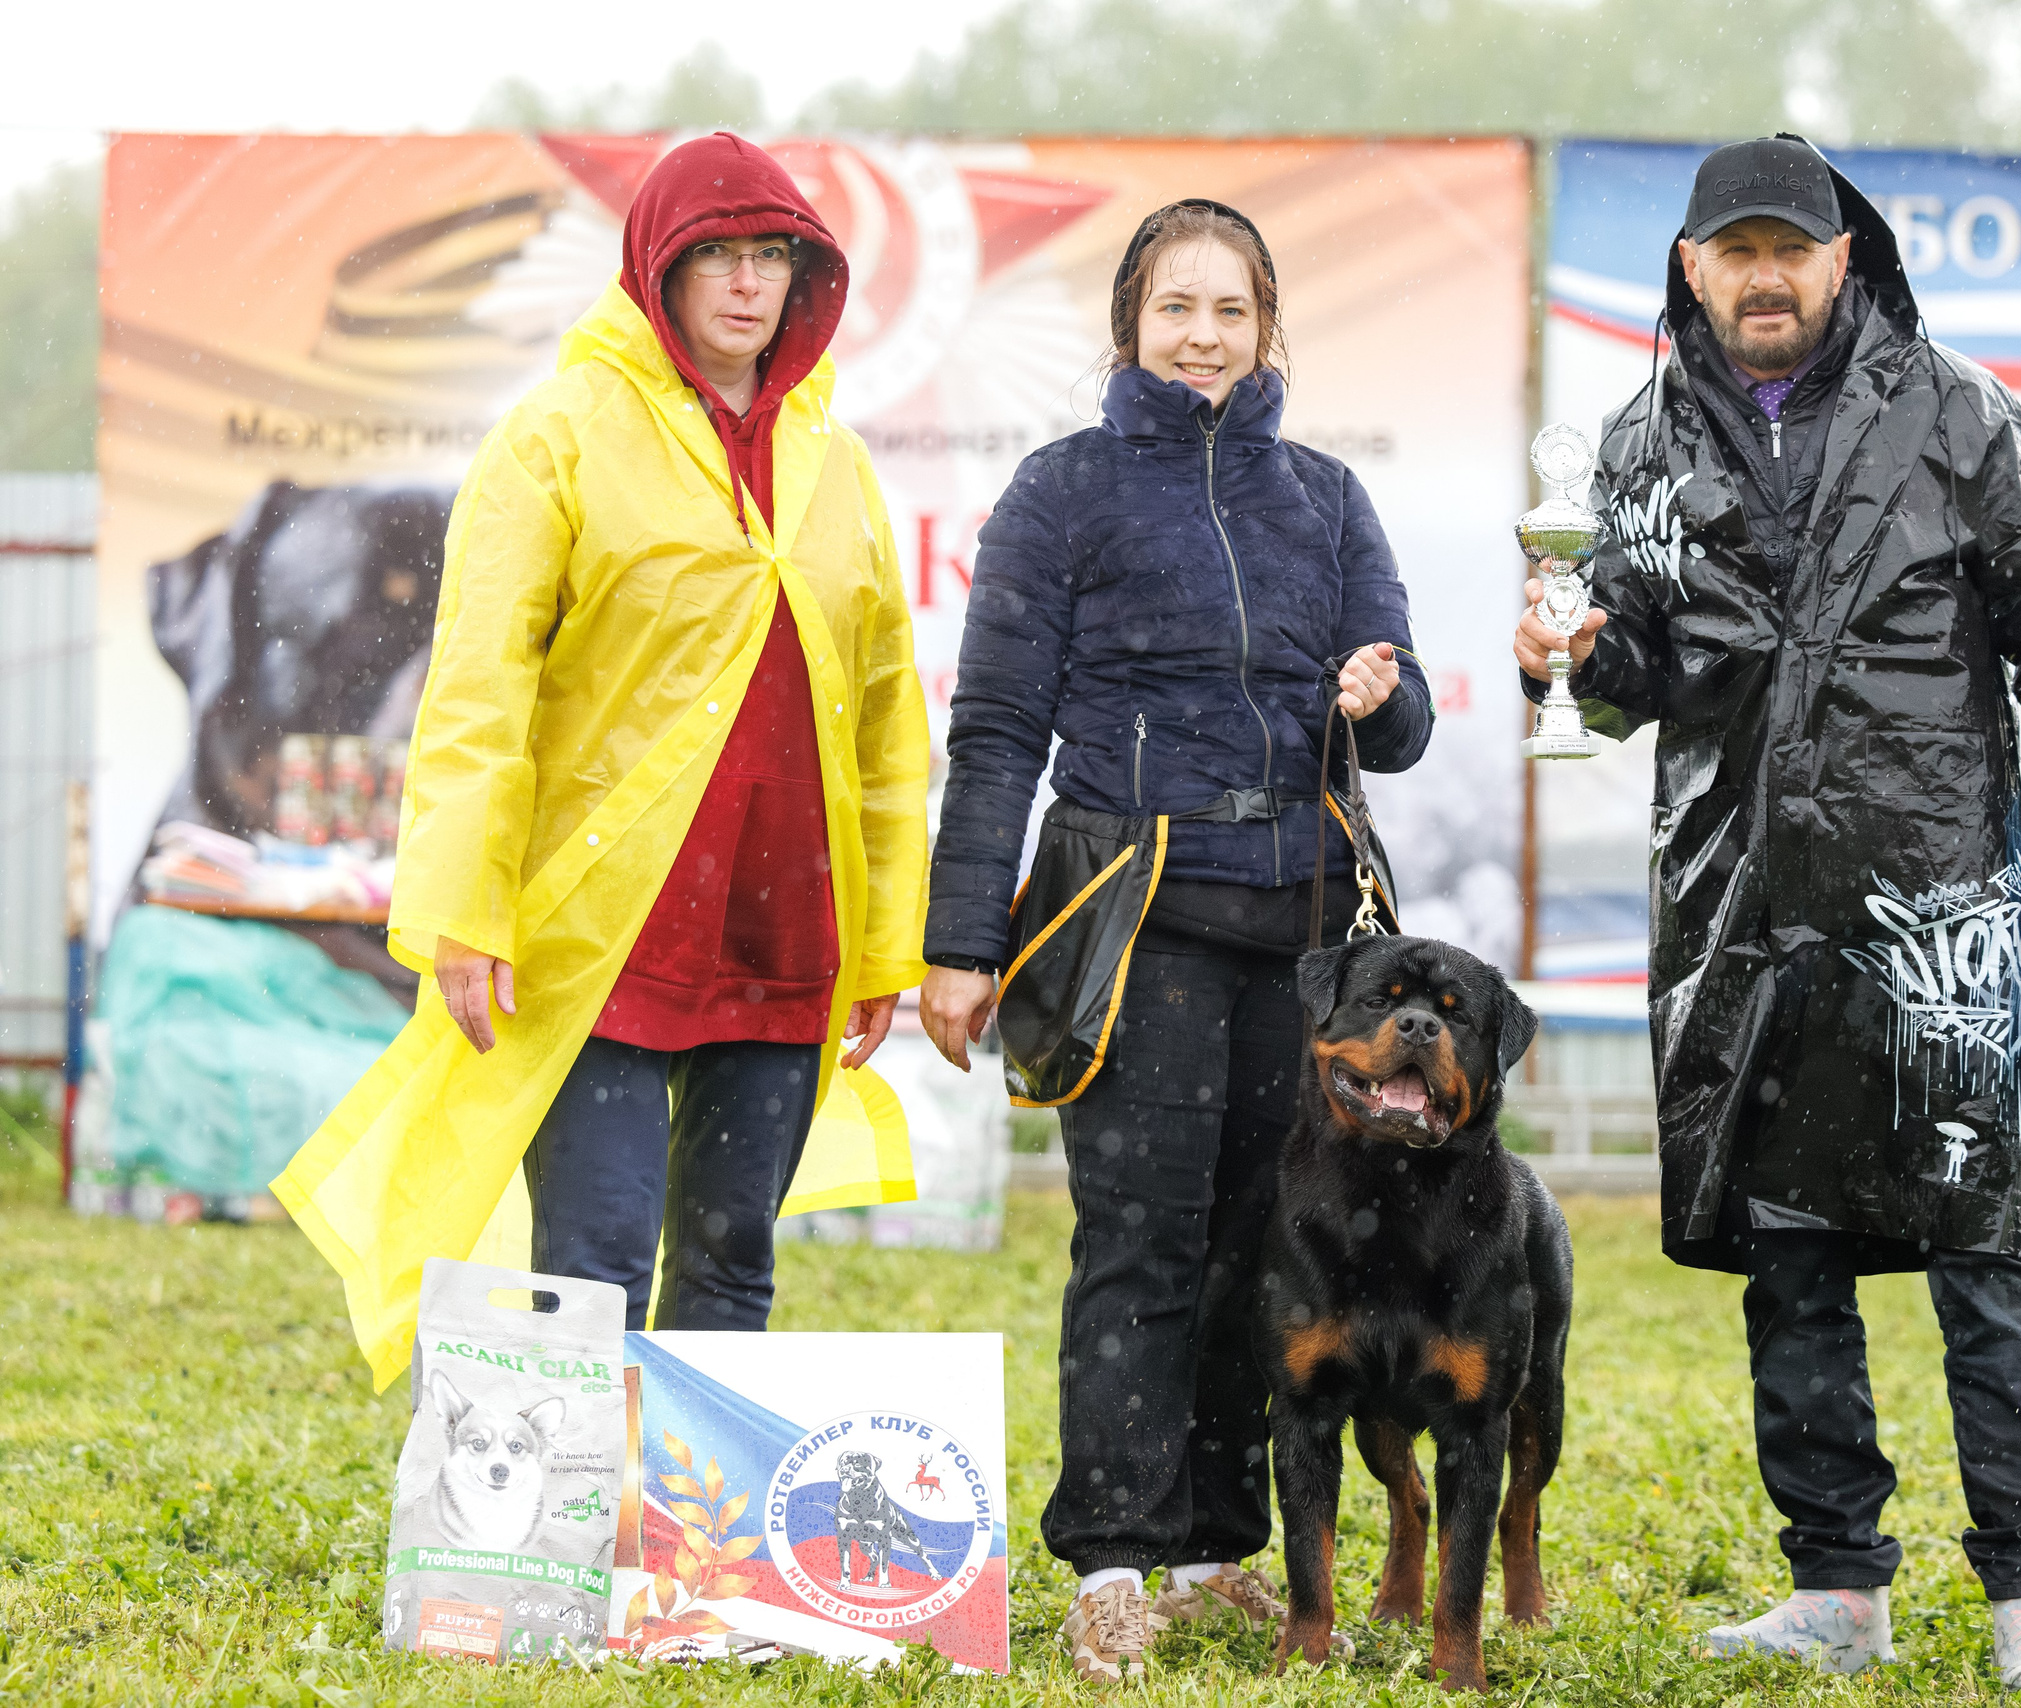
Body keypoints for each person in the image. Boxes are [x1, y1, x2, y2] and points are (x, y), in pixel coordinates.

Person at [1515, 135, 2021, 1692]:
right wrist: (1578, 656)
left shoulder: (1958, 411)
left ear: (1840, 259)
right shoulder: (1636, 443)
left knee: (1986, 1247)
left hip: (1935, 897)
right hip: (1740, 906)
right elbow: (1633, 683)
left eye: (1788, 251)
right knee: (1788, 1255)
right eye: (1733, 252)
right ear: (1691, 268)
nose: (1763, 278)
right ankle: (1835, 1587)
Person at [282, 132, 929, 1368]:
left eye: (773, 257)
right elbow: (479, 690)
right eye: (718, 255)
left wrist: (883, 941)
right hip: (598, 928)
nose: (748, 282)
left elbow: (889, 721)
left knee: (733, 1258)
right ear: (658, 269)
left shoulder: (836, 463)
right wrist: (465, 909)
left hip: (786, 922)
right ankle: (579, 1500)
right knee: (596, 1263)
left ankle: (683, 1505)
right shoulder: (556, 434)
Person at [921, 199, 1432, 1688]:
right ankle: (1110, 1563)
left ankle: (1216, 1550)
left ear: (1268, 327)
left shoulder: (1328, 497)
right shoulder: (1059, 492)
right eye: (1174, 308)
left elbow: (1402, 726)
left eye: (1229, 310)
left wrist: (1380, 691)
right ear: (1129, 324)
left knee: (1261, 1248)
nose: (1202, 336)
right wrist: (962, 941)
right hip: (1134, 920)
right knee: (1137, 1241)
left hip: (1303, 931)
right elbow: (998, 732)